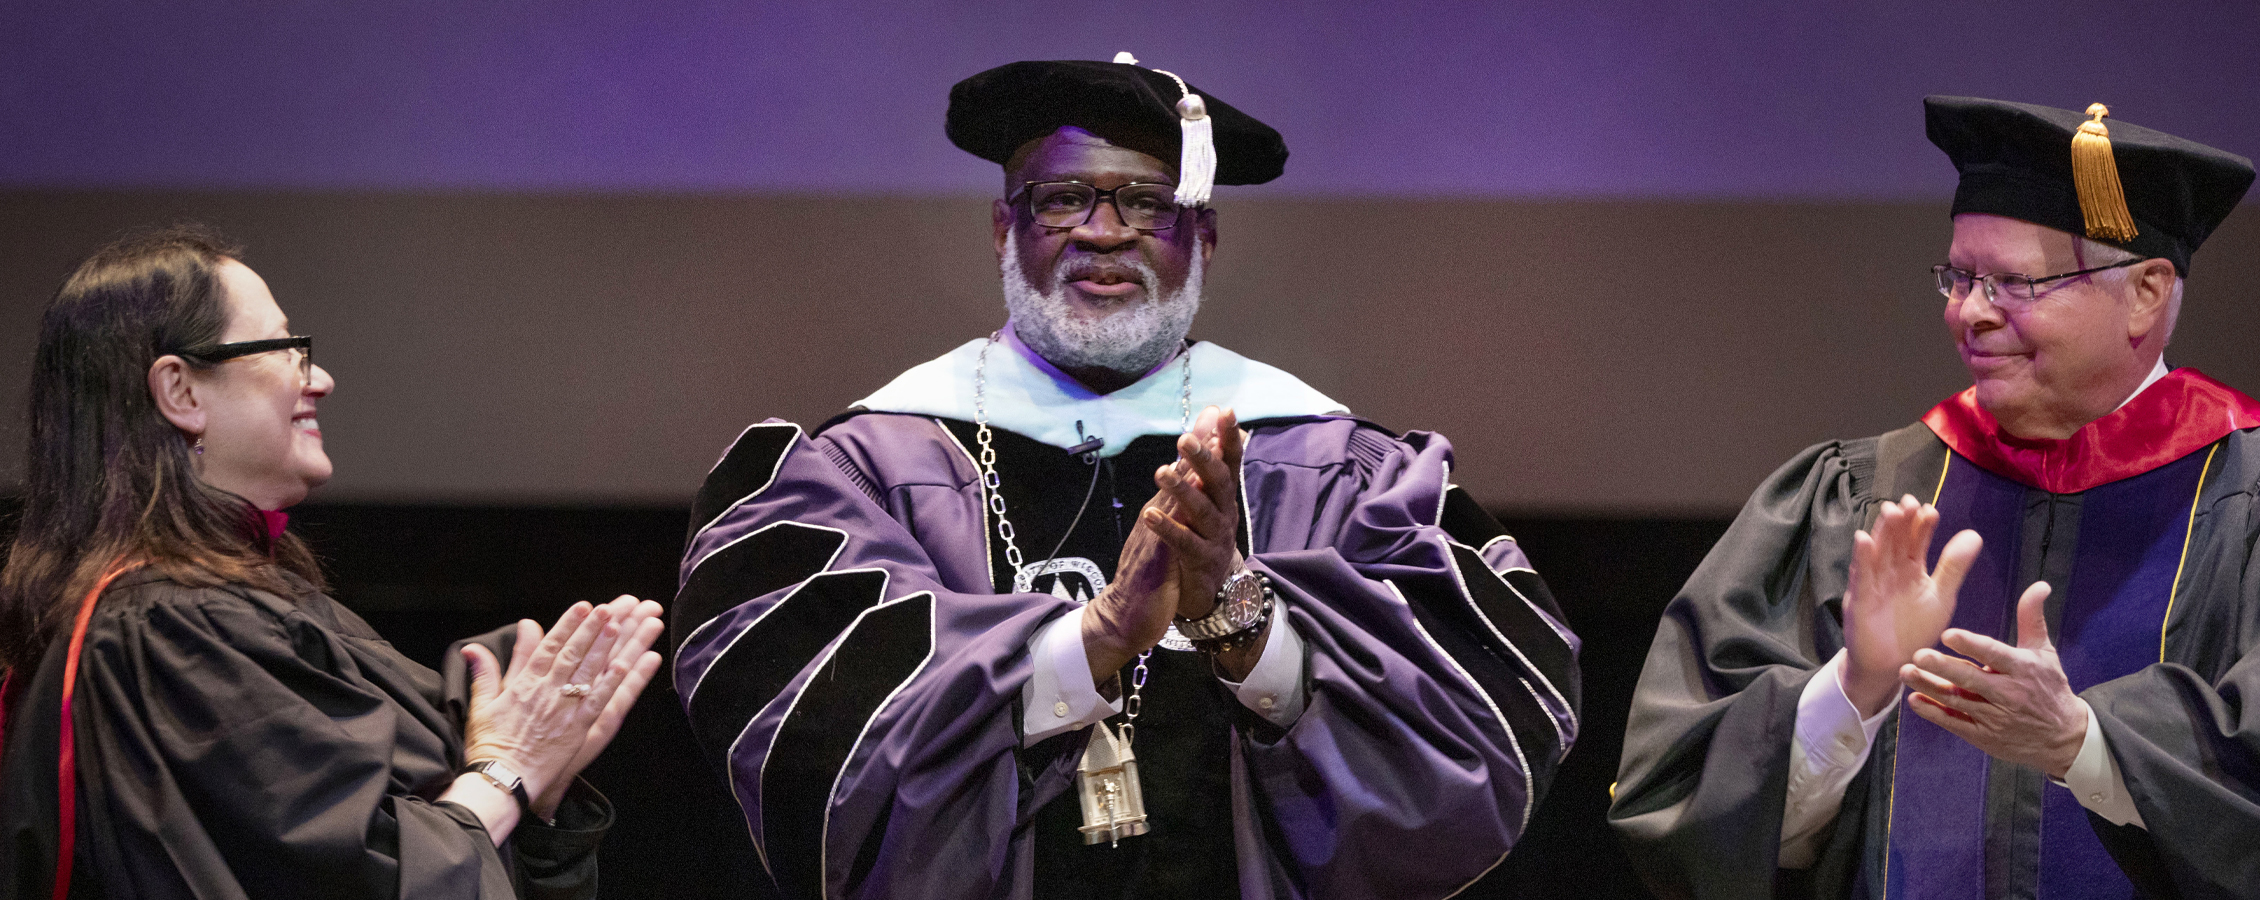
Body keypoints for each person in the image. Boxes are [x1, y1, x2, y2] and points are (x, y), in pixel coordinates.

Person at [670, 54, 1580, 899]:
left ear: (1204, 238)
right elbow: (823, 751)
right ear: (1003, 227)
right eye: (1064, 198)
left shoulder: (1333, 465)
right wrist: (1095, 640)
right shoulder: (865, 470)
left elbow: (1464, 746)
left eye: (1147, 204)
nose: (1105, 233)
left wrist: (1240, 620)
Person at [1609, 97, 2258, 899]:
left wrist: (2082, 746)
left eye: (2015, 282)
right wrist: (1856, 688)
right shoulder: (1859, 499)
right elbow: (1680, 809)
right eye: (1960, 276)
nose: (1970, 313)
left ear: (2148, 293)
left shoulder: (2243, 504)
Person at [0, 226, 667, 900]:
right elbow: (345, 881)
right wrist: (506, 770)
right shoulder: (170, 631)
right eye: (287, 348)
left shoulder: (221, 609)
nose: (319, 378)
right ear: (182, 394)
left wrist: (536, 794)